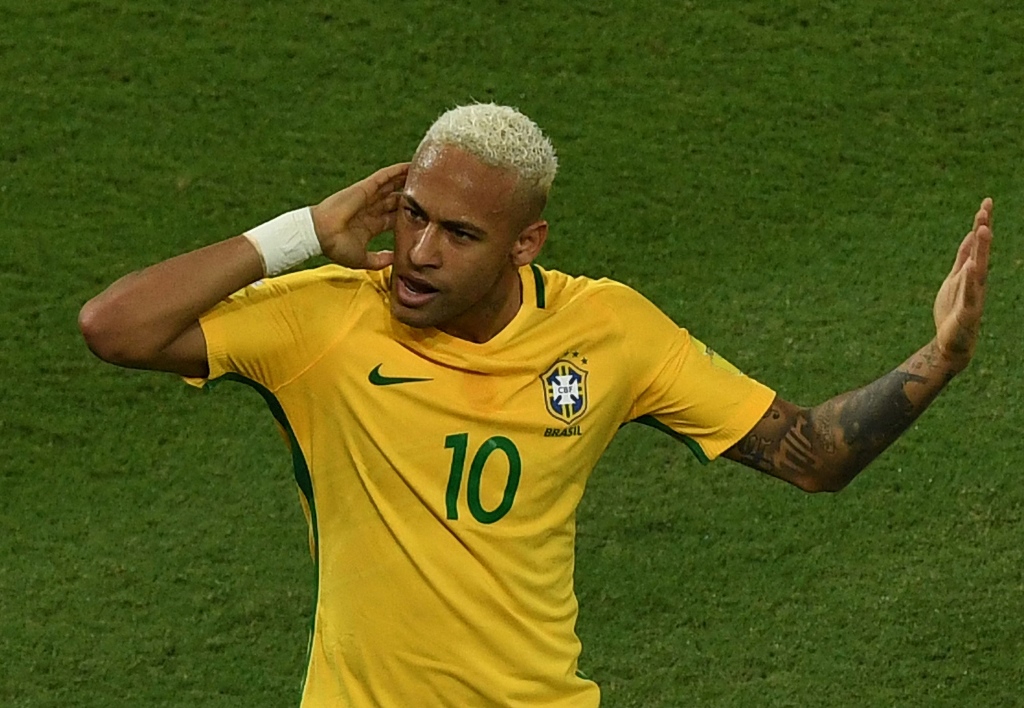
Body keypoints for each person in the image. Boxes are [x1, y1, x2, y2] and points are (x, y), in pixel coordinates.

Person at [78, 103, 993, 707]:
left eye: (461, 233)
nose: (420, 252)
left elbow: (816, 454)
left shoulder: (611, 332)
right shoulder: (326, 323)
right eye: (414, 215)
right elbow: (114, 326)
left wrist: (939, 359)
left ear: (526, 244)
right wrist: (303, 234)